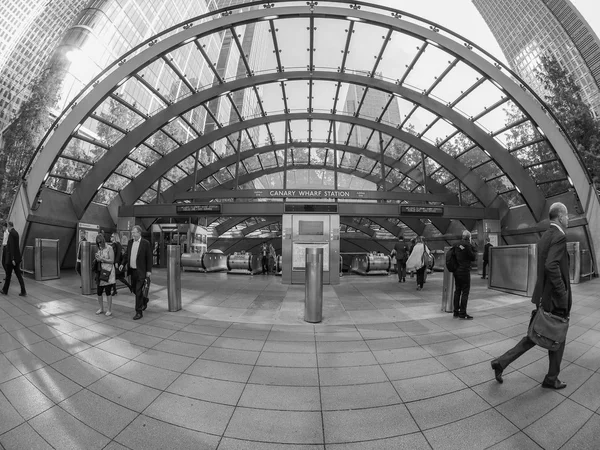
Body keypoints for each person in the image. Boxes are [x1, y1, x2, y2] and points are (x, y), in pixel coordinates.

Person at [491, 202, 571, 390]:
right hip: (554, 299)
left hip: (543, 296)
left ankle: (501, 362)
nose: (568, 219)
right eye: (567, 215)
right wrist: (562, 294)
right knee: (556, 335)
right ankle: (551, 378)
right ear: (560, 216)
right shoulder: (559, 236)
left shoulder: (545, 236)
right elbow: (551, 266)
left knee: (535, 336)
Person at [121, 225, 152, 320]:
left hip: (141, 272)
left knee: (138, 291)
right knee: (134, 289)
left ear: (139, 232)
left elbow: (149, 258)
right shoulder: (130, 242)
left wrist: (148, 271)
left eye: (134, 232)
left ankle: (139, 312)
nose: (132, 234)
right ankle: (144, 300)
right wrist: (123, 263)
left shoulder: (145, 243)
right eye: (132, 232)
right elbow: (127, 255)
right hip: (132, 271)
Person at [453, 230, 477, 319]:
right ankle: (462, 313)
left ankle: (455, 311)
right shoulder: (468, 245)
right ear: (469, 237)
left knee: (457, 291)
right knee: (465, 292)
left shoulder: (456, 244)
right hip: (464, 271)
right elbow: (473, 257)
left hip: (456, 271)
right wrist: (473, 247)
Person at [1, 221, 26, 297]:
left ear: (9, 226)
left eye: (7, 227)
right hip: (16, 258)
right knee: (18, 275)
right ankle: (23, 290)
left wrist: (12, 259)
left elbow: (12, 247)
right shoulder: (16, 233)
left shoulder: (12, 234)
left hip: (12, 259)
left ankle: (5, 290)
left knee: (8, 275)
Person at [95, 234, 115, 316]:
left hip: (108, 272)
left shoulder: (109, 248)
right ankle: (101, 308)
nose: (99, 244)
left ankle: (109, 309)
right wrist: (97, 258)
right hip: (100, 272)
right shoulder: (99, 249)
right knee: (99, 291)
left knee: (108, 291)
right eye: (97, 243)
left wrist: (102, 259)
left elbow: (112, 260)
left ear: (103, 241)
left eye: (100, 242)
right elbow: (99, 259)